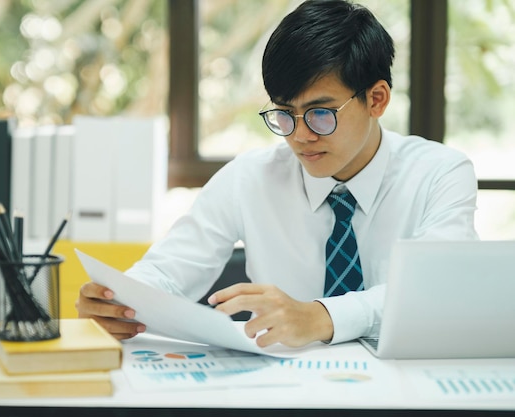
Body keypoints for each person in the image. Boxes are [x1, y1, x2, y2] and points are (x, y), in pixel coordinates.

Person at [76, 0, 478, 348]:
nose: (300, 136)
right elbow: (169, 269)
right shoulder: (250, 176)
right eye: (285, 114)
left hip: (406, 391)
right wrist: (118, 299)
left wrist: (321, 317)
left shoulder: (440, 174)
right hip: (283, 391)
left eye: (321, 113)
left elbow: (438, 291)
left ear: (376, 99)